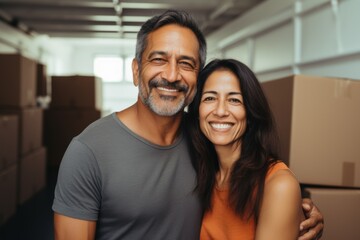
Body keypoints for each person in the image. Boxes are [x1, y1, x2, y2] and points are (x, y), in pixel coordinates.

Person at [52, 10, 324, 240]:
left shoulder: (204, 140)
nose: (171, 75)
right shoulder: (88, 152)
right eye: (158, 59)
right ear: (136, 71)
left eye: (186, 63)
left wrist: (294, 213)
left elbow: (256, 185)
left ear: (196, 77)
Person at [188, 58, 313, 240]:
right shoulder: (200, 171)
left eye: (234, 100)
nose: (220, 111)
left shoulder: (278, 184)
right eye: (210, 98)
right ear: (197, 109)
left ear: (251, 112)